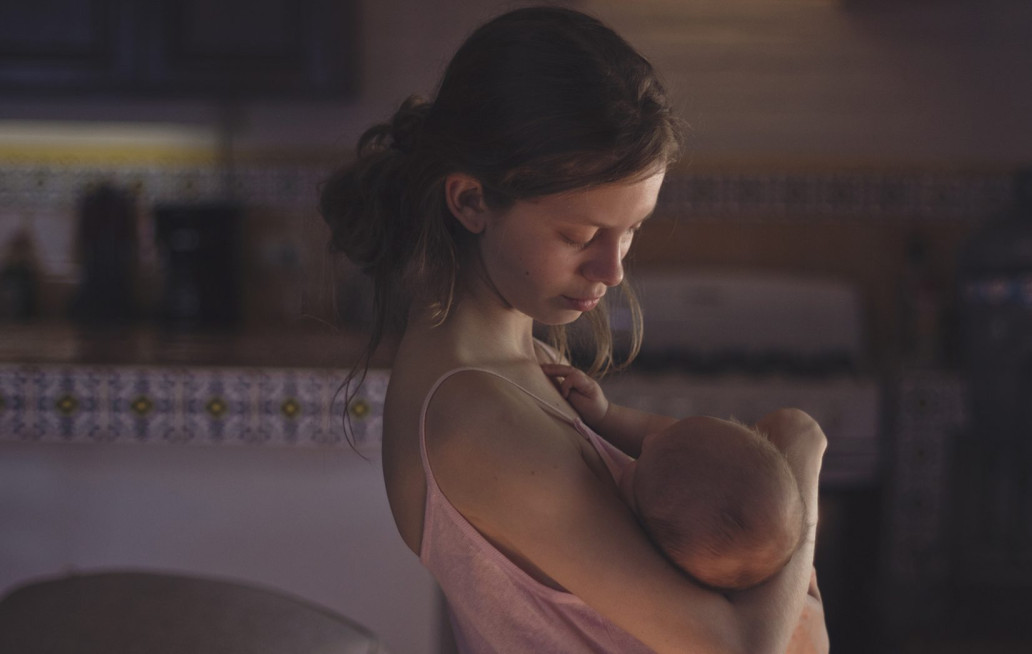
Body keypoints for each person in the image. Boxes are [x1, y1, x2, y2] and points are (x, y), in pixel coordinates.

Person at [320, 6, 828, 653]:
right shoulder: (474, 413)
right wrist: (802, 454)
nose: (612, 270)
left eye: (633, 229)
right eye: (580, 235)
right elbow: (734, 646)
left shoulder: (512, 359)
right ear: (471, 202)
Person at [545, 362, 806, 591]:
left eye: (639, 462)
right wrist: (604, 413)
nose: (645, 441)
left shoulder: (628, 562)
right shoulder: (701, 553)